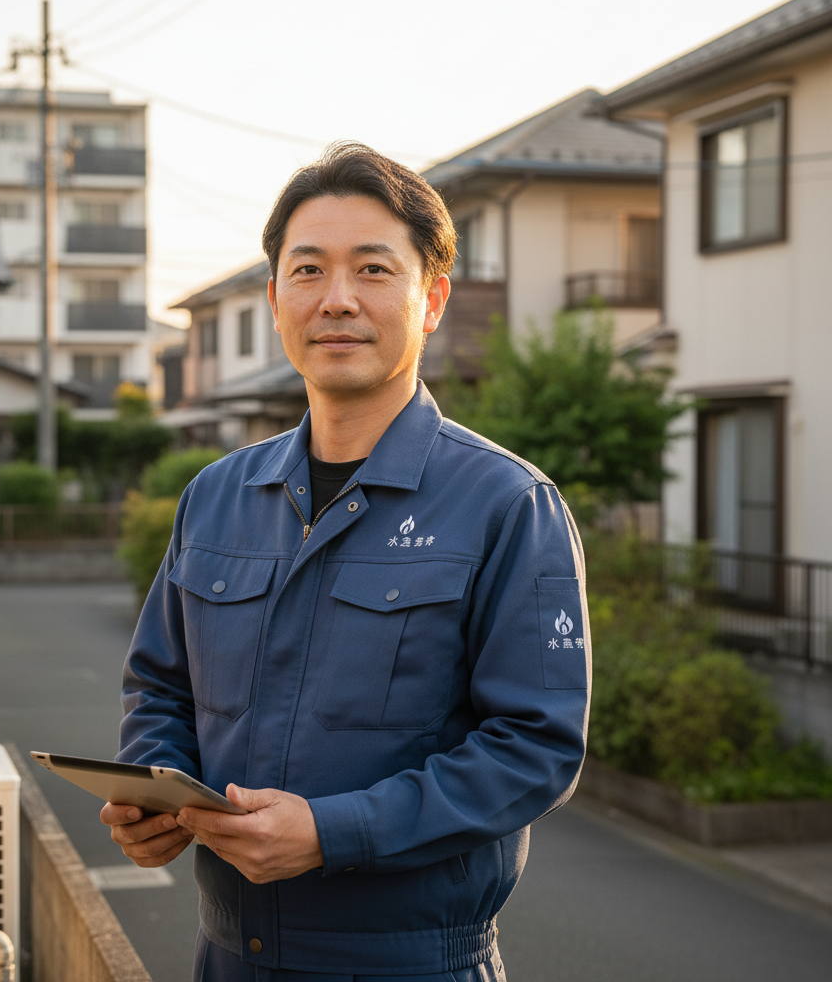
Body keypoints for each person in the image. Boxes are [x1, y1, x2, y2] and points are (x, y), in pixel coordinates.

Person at [102, 142, 591, 982]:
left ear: (430, 299)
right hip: (226, 956)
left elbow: (534, 748)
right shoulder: (217, 497)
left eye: (371, 270)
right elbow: (161, 686)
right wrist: (163, 792)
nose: (336, 300)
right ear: (275, 298)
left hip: (412, 965)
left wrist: (334, 833)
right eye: (307, 271)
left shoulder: (508, 503)